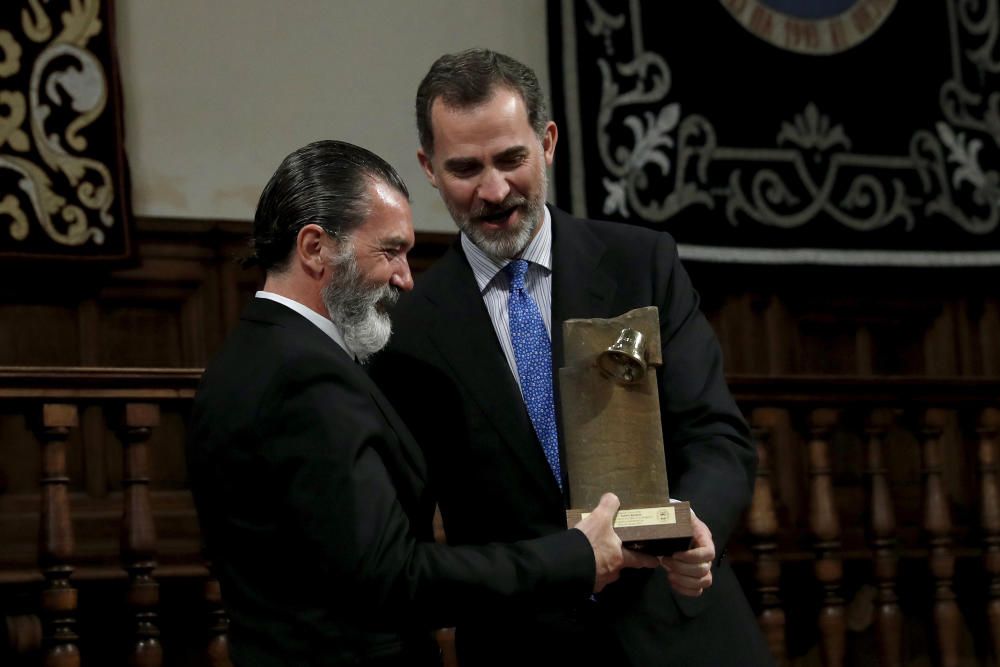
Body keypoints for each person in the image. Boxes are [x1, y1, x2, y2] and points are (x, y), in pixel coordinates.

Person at [369, 50, 774, 665]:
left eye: (511, 159)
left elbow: (717, 434)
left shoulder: (643, 264)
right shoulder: (408, 330)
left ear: (548, 141)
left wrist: (700, 529)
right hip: (526, 643)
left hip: (680, 625)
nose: (495, 190)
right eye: (465, 169)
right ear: (427, 168)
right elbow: (408, 537)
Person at [186, 139, 658, 667]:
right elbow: (392, 576)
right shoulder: (306, 376)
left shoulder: (244, 358)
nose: (406, 278)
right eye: (389, 251)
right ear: (316, 248)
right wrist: (573, 556)